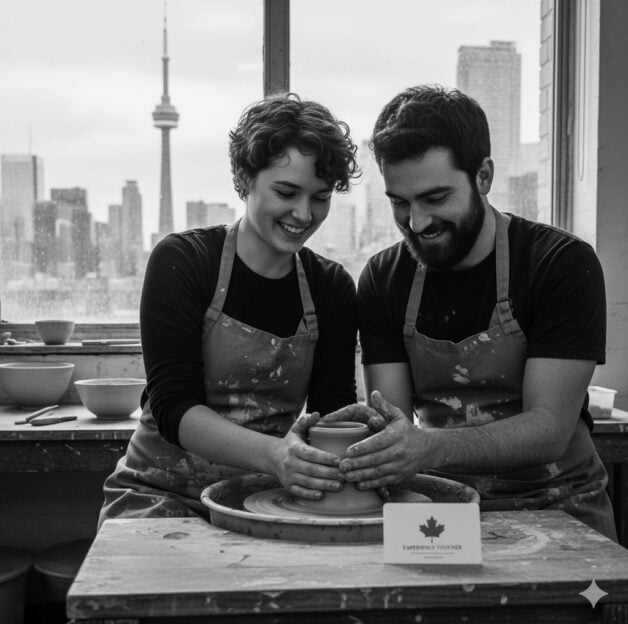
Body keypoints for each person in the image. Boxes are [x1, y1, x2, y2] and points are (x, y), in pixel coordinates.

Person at [327, 85, 617, 540]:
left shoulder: (560, 263)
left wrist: (426, 448)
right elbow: (394, 422)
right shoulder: (385, 278)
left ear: (483, 176)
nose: (417, 222)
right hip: (438, 508)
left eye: (436, 198)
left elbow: (549, 430)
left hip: (561, 504)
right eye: (400, 202)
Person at [98, 93, 359, 525]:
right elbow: (173, 407)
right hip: (160, 494)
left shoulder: (330, 287)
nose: (303, 213)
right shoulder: (184, 260)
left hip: (268, 498)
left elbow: (331, 415)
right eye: (287, 191)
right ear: (244, 178)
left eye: (320, 197)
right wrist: (276, 455)